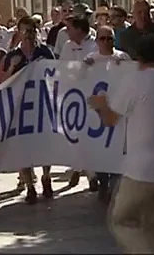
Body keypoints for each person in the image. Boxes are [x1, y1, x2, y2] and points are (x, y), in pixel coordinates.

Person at [87, 34, 154, 254]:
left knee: (123, 222)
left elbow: (111, 120)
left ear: (140, 58)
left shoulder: (136, 81)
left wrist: (100, 105)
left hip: (141, 169)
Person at [0, 15, 55, 203]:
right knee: (23, 147)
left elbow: (57, 75)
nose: (30, 35)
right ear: (19, 33)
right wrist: (12, 68)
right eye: (26, 31)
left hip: (42, 106)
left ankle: (46, 177)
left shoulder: (45, 52)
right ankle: (30, 186)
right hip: (20, 108)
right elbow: (1, 82)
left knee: (45, 145)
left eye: (33, 31)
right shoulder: (12, 56)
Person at [83, 25, 130, 202]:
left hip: (119, 109)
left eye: (110, 38)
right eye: (103, 38)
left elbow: (132, 78)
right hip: (98, 111)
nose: (106, 42)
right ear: (97, 41)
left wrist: (124, 67)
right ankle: (103, 183)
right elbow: (79, 80)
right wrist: (84, 68)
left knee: (118, 148)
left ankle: (115, 186)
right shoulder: (90, 59)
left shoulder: (123, 57)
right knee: (100, 149)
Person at [58, 14, 99, 189]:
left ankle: (92, 175)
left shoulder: (95, 44)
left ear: (80, 29)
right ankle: (77, 168)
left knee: (89, 135)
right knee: (75, 135)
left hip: (91, 97)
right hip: (72, 97)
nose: (67, 32)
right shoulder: (67, 46)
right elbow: (61, 67)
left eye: (70, 28)